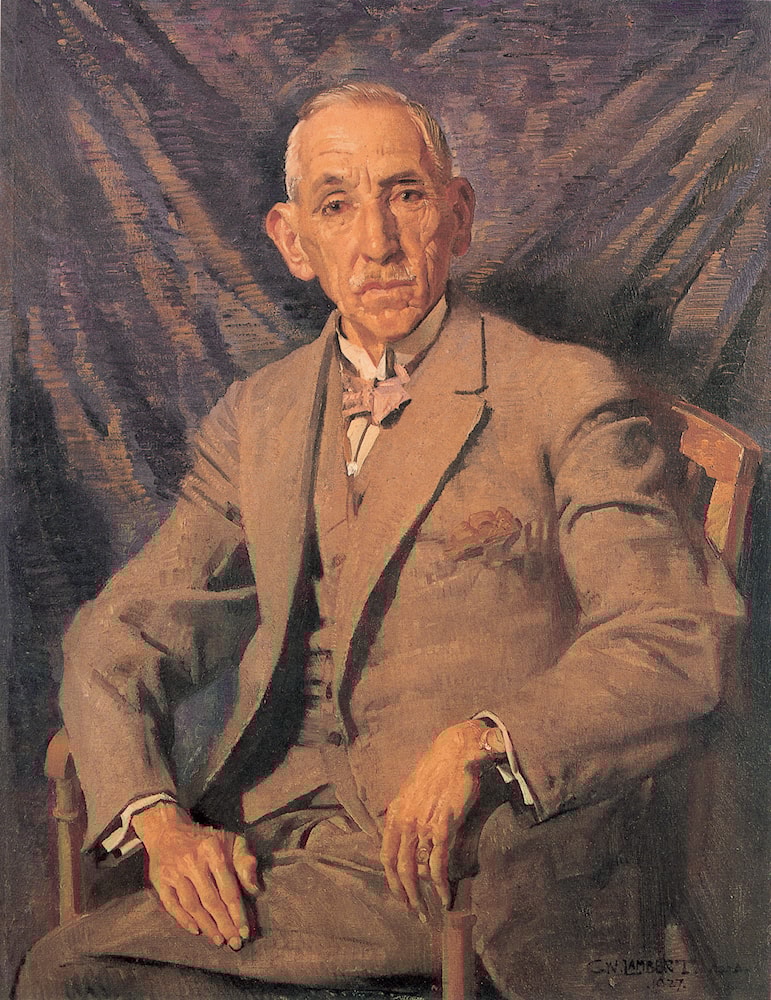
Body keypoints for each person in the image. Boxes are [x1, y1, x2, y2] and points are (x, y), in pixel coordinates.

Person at [17, 82, 744, 1000]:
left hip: (467, 864)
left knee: (71, 975)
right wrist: (158, 820)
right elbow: (120, 633)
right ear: (293, 242)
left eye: (405, 194)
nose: (378, 241)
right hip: (275, 836)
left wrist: (483, 740)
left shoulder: (562, 392)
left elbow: (673, 637)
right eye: (336, 206)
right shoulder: (259, 414)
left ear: (458, 214)